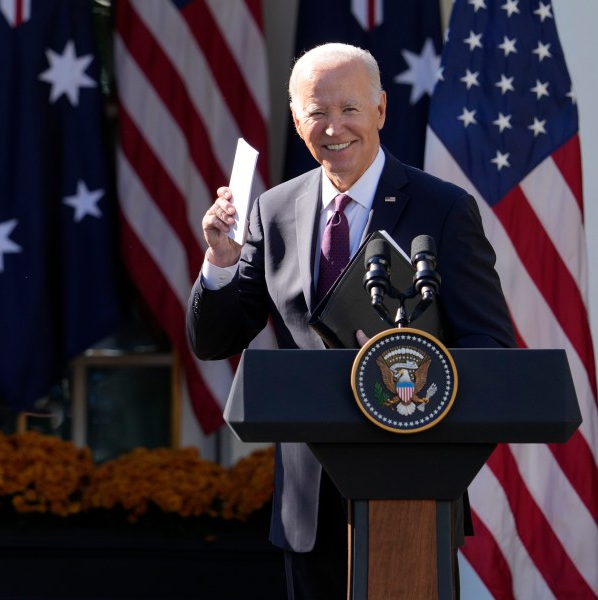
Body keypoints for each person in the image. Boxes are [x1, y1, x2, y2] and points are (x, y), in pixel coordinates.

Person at [186, 43, 515, 598]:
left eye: (350, 110)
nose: (334, 127)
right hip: (308, 505)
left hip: (411, 486)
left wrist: (407, 359)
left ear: (381, 111)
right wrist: (219, 263)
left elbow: (490, 347)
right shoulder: (273, 210)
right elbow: (216, 340)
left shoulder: (443, 209)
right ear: (297, 120)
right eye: (317, 112)